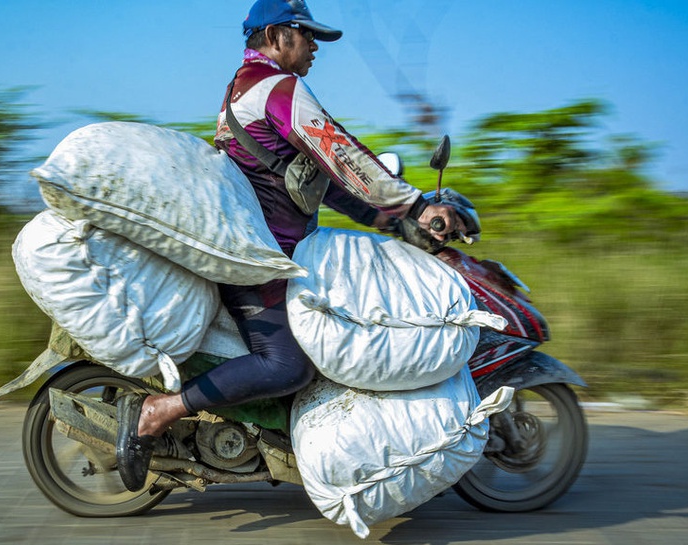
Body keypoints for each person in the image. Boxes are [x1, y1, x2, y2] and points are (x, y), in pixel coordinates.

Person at [115, 0, 461, 491]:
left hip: (279, 253)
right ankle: (160, 410)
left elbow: (324, 181)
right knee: (285, 365)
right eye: (306, 34)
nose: (315, 46)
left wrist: (394, 220)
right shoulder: (279, 89)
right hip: (261, 261)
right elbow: (339, 152)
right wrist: (417, 205)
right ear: (277, 36)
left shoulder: (246, 88)